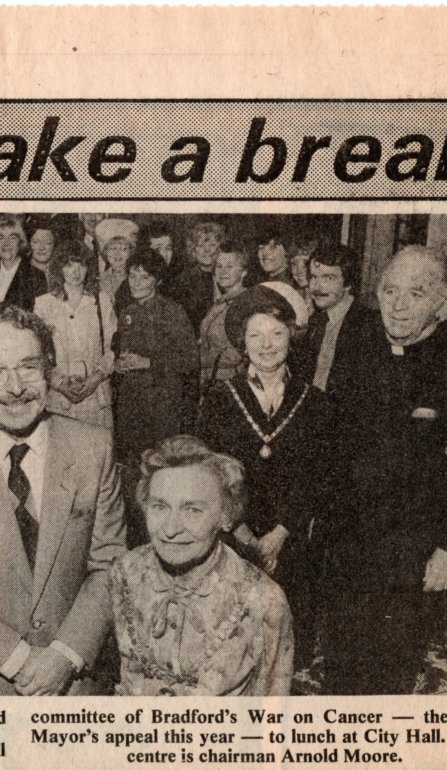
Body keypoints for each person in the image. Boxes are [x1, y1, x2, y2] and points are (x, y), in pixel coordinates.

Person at [0, 304, 126, 695]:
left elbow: (110, 563)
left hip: (74, 685)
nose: (15, 388)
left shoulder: (94, 448)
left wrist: (64, 655)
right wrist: (17, 659)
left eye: (28, 367)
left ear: (49, 369)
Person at [322, 246, 447, 695]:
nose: (398, 305)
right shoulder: (361, 350)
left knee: (388, 665)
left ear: (442, 305)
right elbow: (336, 442)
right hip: (350, 538)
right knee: (341, 658)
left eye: (416, 293)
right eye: (389, 290)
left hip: (414, 550)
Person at [196, 282, 335, 668]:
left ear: (292, 334)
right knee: (232, 651)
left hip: (290, 540)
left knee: (285, 654)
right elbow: (210, 471)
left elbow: (318, 476)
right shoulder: (221, 398)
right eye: (256, 335)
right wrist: (241, 533)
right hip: (234, 537)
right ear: (243, 341)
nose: (267, 344)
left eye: (277, 333)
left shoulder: (316, 403)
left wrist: (279, 535)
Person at [111, 435, 294, 696]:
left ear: (227, 516)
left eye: (192, 510)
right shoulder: (124, 572)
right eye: (160, 507)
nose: (171, 529)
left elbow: (272, 718)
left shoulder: (264, 601)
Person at [113, 248, 199, 471]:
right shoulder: (126, 313)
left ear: (157, 281)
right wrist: (120, 365)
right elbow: (124, 353)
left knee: (162, 469)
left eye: (144, 277)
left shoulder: (173, 311)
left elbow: (190, 360)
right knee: (133, 470)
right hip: (132, 406)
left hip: (162, 406)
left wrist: (149, 363)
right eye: (132, 276)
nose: (136, 283)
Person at [33, 241, 117, 430]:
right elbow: (37, 353)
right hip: (59, 400)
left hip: (96, 398)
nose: (76, 271)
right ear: (59, 269)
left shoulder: (101, 301)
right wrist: (60, 383)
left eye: (81, 265)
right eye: (69, 265)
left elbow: (113, 348)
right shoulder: (44, 305)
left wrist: (95, 378)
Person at [294, 242, 374, 398]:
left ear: (348, 283)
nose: (317, 286)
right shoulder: (315, 322)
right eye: (314, 277)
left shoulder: (367, 325)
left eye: (329, 278)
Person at [198, 242, 249, 395]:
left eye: (230, 266)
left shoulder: (247, 304)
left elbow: (239, 354)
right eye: (219, 266)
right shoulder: (219, 303)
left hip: (232, 385)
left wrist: (195, 356)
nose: (223, 271)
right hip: (211, 383)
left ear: (244, 272)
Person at [0, 215, 47, 311]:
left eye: (12, 237)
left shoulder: (36, 276)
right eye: (0, 238)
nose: (6, 243)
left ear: (21, 241)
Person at [176, 220, 226, 331]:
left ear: (220, 248)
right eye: (201, 245)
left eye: (212, 245)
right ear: (193, 250)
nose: (207, 250)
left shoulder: (227, 274)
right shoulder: (184, 281)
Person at [95, 218, 138, 313]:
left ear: (130, 253)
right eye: (113, 248)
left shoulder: (137, 277)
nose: (117, 254)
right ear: (105, 252)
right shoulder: (99, 281)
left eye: (123, 249)